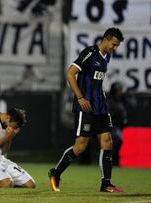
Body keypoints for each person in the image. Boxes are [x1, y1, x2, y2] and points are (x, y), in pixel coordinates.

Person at [48, 27, 124, 193]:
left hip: (101, 107)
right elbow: (70, 73)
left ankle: (106, 184)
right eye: (114, 44)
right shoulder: (90, 52)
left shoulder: (106, 57)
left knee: (107, 141)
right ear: (106, 39)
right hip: (87, 107)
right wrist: (80, 98)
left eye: (117, 45)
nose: (114, 48)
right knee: (80, 146)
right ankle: (55, 173)